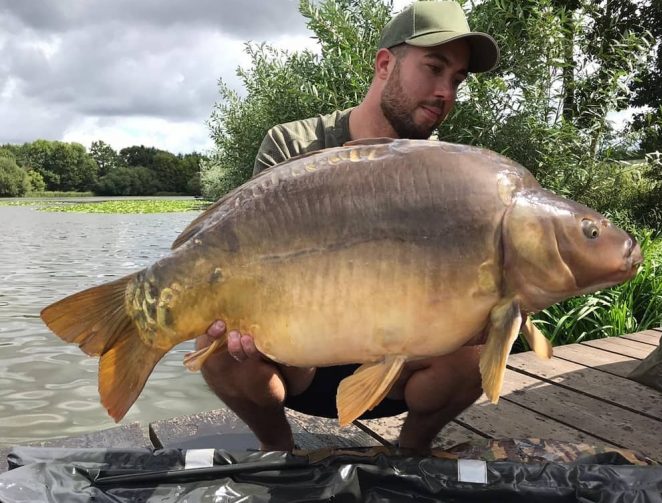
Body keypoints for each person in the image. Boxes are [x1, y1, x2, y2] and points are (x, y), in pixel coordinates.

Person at [195, 1, 500, 452]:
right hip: (301, 362)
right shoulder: (292, 145)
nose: (445, 92)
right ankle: (279, 452)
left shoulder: (450, 176)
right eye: (433, 68)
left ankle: (411, 452)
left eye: (455, 80)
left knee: (484, 348)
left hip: (401, 366)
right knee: (217, 346)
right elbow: (249, 252)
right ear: (384, 63)